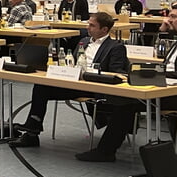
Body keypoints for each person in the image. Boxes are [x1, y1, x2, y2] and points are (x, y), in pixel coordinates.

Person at [75, 3, 177, 162]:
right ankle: (113, 138)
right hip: (163, 85)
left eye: (173, 16)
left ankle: (106, 150)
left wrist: (160, 73)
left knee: (127, 103)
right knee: (121, 96)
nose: (169, 20)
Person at [12, 13, 130, 149]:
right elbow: (72, 62)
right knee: (41, 86)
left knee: (42, 88)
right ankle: (32, 132)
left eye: (92, 25)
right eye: (88, 24)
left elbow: (117, 73)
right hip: (75, 83)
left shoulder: (116, 47)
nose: (88, 27)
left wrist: (94, 73)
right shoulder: (84, 41)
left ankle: (31, 130)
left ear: (104, 29)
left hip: (94, 87)